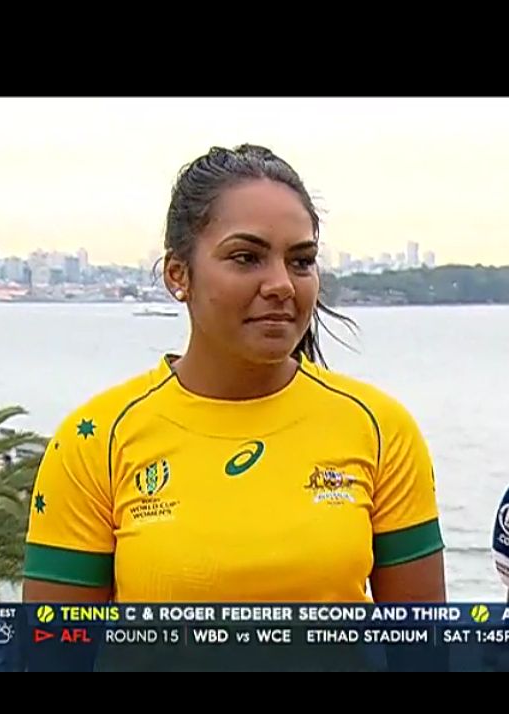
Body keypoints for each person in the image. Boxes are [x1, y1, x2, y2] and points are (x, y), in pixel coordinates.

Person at [22, 144, 446, 605]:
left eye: (301, 261)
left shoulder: (381, 429)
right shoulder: (95, 441)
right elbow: (51, 640)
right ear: (178, 274)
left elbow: (422, 638)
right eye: (246, 257)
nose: (282, 284)